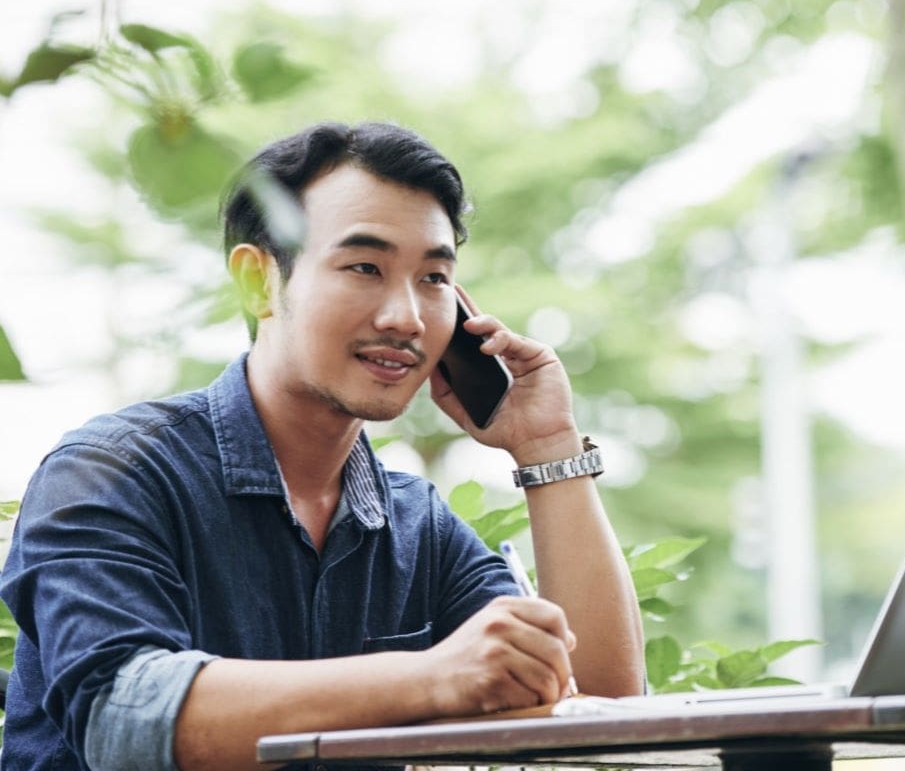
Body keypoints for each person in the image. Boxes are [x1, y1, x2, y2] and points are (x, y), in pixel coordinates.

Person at [0, 122, 645, 771]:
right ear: (258, 282)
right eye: (365, 267)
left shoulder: (417, 525)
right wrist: (432, 676)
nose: (406, 317)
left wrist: (547, 446)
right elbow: (126, 720)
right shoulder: (110, 469)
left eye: (433, 278)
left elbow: (601, 717)